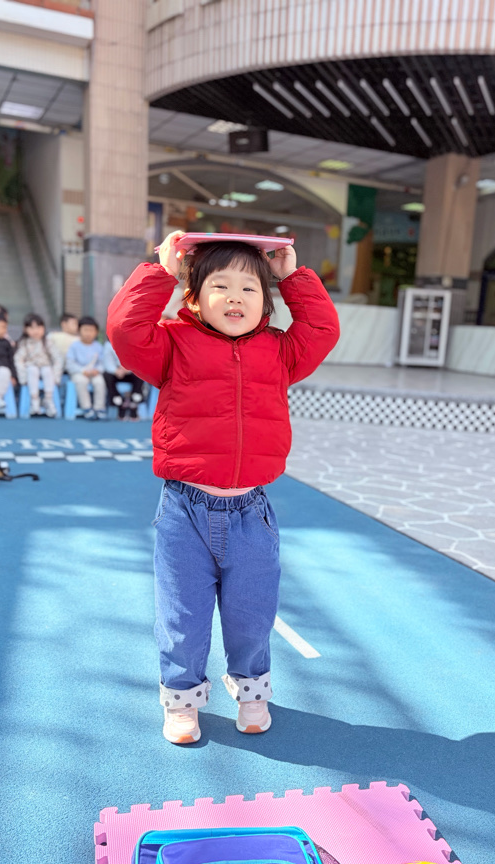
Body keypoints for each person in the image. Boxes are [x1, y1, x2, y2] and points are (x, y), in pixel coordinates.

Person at [107, 232, 339, 746]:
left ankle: (252, 693)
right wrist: (160, 272)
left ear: (266, 302)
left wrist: (292, 278)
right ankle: (182, 699)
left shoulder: (279, 351)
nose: (236, 297)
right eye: (221, 286)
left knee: (252, 614)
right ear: (193, 297)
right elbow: (126, 331)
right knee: (182, 617)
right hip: (184, 512)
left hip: (250, 513)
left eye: (250, 288)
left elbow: (322, 329)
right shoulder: (171, 345)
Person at [14, 313, 62, 417]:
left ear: (44, 328)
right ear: (25, 329)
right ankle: (34, 400)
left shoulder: (47, 342)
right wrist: (23, 377)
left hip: (45, 367)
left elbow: (57, 358)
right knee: (32, 370)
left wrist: (56, 376)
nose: (36, 331)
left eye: (39, 327)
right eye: (32, 328)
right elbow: (18, 359)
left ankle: (48, 399)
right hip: (30, 369)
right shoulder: (24, 343)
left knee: (47, 370)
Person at [65, 316, 106, 419]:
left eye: (91, 330)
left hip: (94, 373)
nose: (88, 333)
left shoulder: (98, 346)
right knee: (81, 381)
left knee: (100, 382)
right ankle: (87, 408)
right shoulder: (74, 346)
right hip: (79, 373)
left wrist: (98, 370)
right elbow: (70, 364)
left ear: (96, 332)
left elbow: (102, 363)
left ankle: (99, 408)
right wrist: (82, 371)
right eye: (85, 330)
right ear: (79, 331)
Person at [102, 340, 146, 420]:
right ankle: (118, 400)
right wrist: (116, 371)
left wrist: (128, 369)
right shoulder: (108, 345)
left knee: (141, 373)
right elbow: (107, 363)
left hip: (131, 371)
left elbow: (139, 359)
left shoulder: (135, 342)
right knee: (106, 375)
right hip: (116, 373)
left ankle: (134, 401)